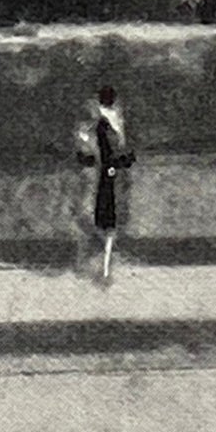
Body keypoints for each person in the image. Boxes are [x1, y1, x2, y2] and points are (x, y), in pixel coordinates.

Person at [79, 82, 134, 290]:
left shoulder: (108, 119)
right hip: (107, 173)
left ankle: (103, 266)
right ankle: (103, 267)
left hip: (110, 173)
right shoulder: (107, 121)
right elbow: (110, 149)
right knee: (107, 219)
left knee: (108, 220)